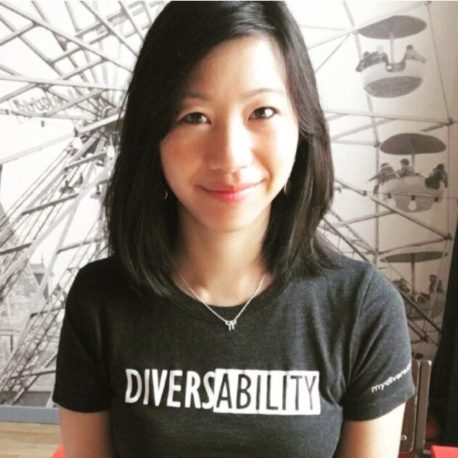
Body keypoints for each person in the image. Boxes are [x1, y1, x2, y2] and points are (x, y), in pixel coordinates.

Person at [52, 2, 414, 457]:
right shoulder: (100, 301)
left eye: (261, 111)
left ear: (302, 125)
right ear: (152, 135)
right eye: (194, 117)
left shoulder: (363, 308)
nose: (230, 155)